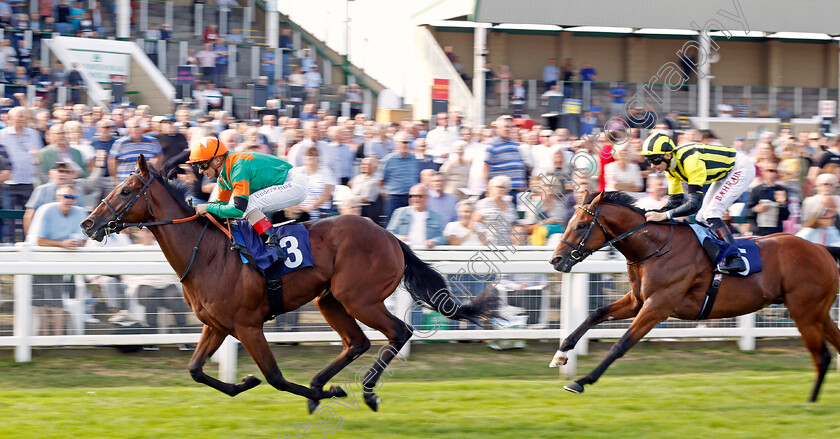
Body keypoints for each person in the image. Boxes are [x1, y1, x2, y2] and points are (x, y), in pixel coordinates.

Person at [641, 131, 756, 273]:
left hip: (740, 168)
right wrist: (656, 213)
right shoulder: (670, 169)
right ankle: (710, 254)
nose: (652, 165)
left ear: (668, 155)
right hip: (725, 173)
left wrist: (665, 216)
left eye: (655, 160)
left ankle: (735, 258)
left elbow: (695, 203)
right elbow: (675, 201)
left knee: (711, 213)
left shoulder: (690, 161)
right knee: (701, 218)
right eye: (648, 160)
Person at [189, 136, 306, 260]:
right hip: (285, 182)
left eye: (203, 165)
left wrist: (208, 206)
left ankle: (274, 248)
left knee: (247, 205)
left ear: (217, 160)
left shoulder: (238, 167)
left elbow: (238, 209)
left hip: (293, 183)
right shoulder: (223, 176)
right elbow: (219, 206)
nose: (200, 171)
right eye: (198, 166)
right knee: (245, 205)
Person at [27, 184, 89, 335]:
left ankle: (58, 336)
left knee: (57, 297)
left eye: (72, 197)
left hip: (61, 262)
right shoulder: (46, 210)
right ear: (58, 197)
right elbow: (39, 240)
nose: (69, 200)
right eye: (66, 196)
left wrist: (76, 243)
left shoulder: (80, 213)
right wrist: (62, 244)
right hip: (37, 260)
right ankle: (44, 334)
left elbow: (84, 240)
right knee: (40, 298)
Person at [386, 183, 445, 248]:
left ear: (427, 197)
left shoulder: (436, 216)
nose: (416, 199)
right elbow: (389, 233)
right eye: (412, 196)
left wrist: (433, 241)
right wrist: (400, 238)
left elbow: (442, 238)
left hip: (427, 251)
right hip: (405, 251)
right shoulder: (400, 213)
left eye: (420, 196)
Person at [745, 162, 789, 236]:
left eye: (776, 171)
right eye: (770, 171)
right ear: (763, 172)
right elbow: (747, 213)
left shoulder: (781, 190)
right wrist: (756, 209)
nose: (773, 173)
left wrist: (782, 204)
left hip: (776, 232)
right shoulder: (756, 190)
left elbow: (785, 216)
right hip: (759, 232)